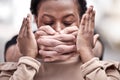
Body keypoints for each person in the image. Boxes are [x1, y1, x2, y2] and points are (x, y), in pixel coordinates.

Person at [0, 0, 120, 80]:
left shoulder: (89, 44)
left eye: (68, 22)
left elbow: (98, 46)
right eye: (48, 22)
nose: (58, 29)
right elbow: (11, 52)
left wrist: (85, 51)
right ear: (36, 20)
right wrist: (30, 54)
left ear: (81, 20)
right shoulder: (24, 42)